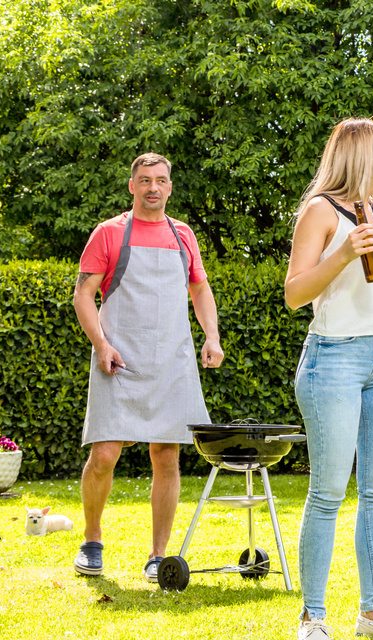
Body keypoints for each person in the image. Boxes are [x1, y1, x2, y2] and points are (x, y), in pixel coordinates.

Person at [284, 117, 373, 640]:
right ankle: (313, 615)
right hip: (333, 359)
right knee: (328, 491)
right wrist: (341, 252)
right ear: (364, 154)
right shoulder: (320, 211)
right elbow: (295, 293)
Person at [72, 153, 224, 583]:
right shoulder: (109, 233)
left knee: (167, 455)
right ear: (132, 187)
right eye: (144, 180)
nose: (152, 187)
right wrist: (101, 343)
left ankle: (158, 556)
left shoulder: (184, 235)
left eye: (160, 180)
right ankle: (92, 540)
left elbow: (200, 287)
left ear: (170, 187)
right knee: (104, 454)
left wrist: (211, 337)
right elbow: (84, 295)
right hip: (118, 356)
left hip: (171, 360)